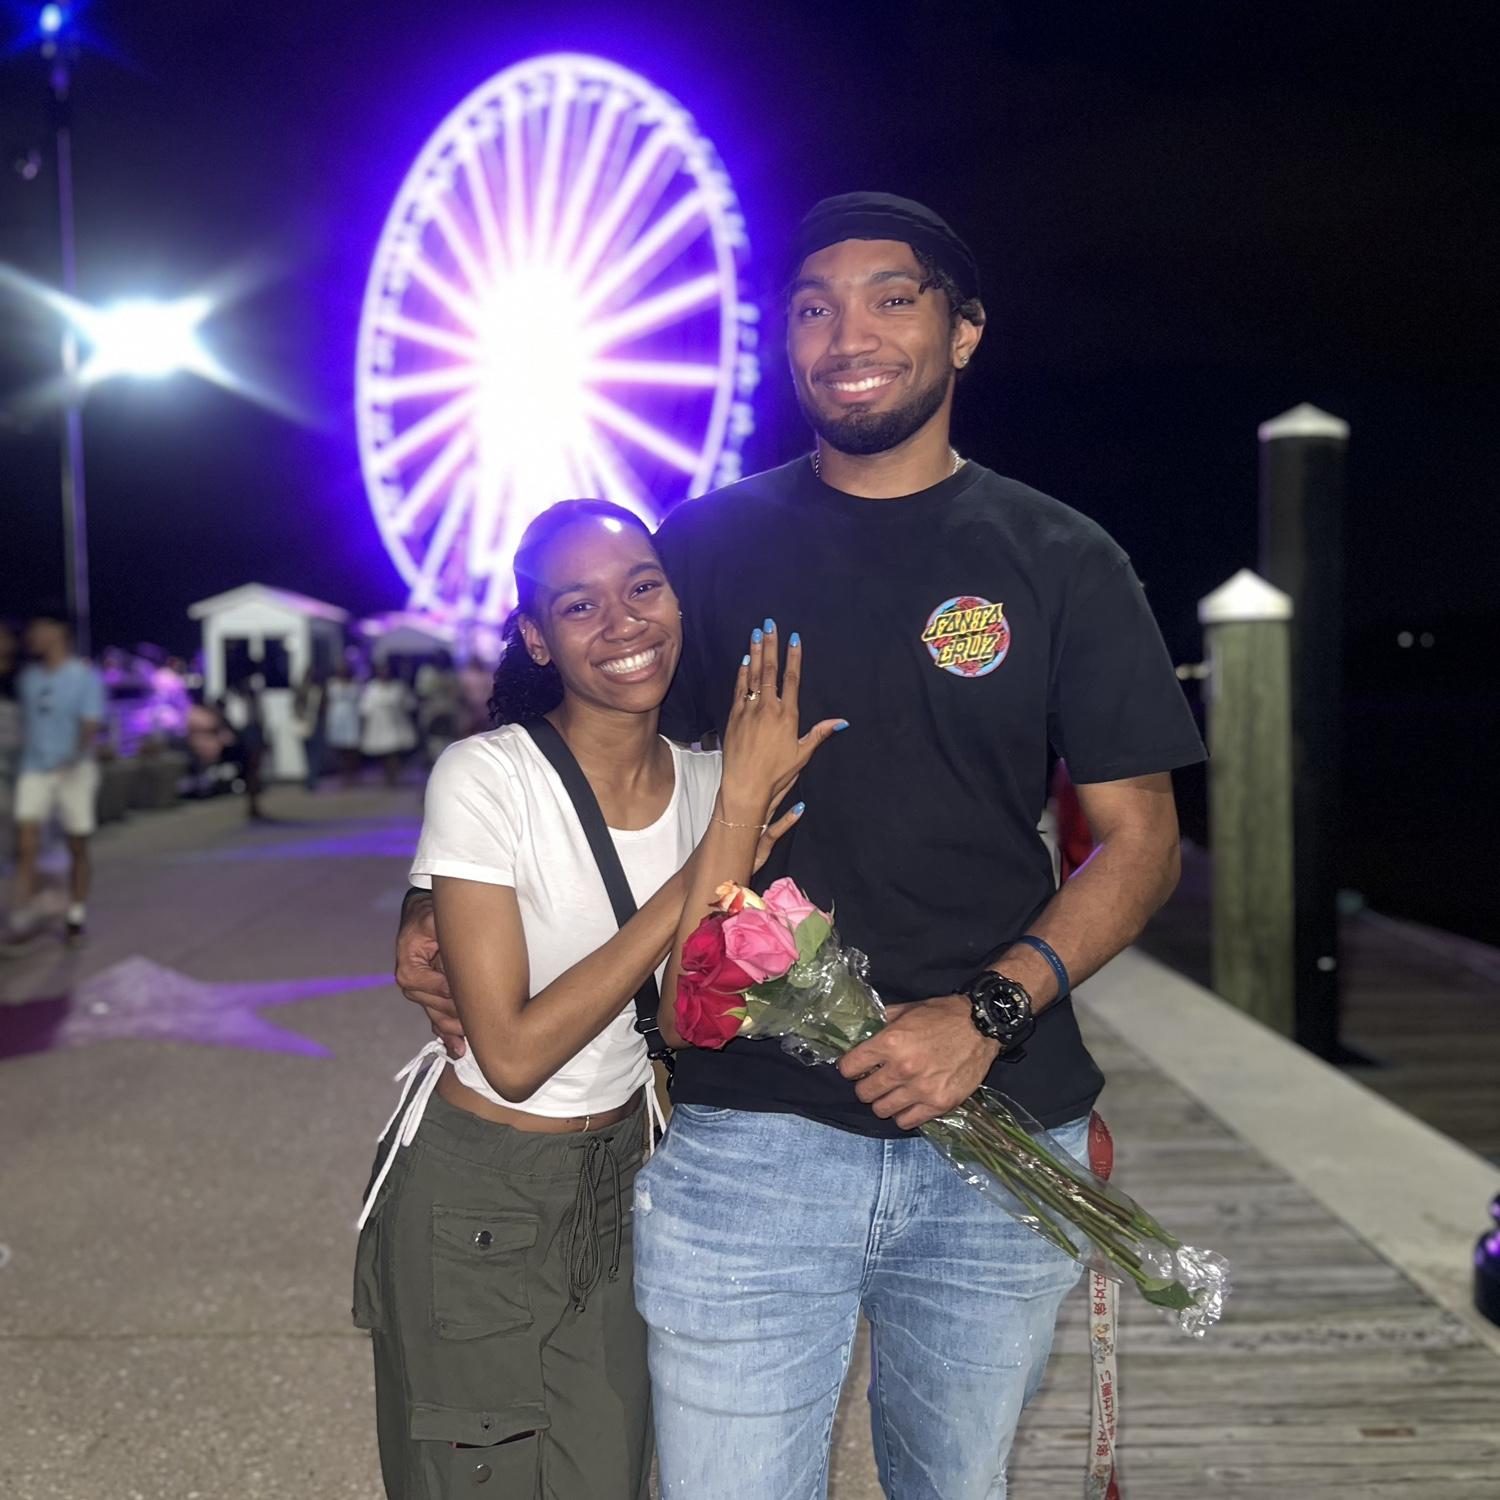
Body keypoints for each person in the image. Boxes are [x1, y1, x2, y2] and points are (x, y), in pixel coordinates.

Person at [398, 193, 1207, 1498]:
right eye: (815, 308)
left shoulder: (1063, 559)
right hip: (748, 1131)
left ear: (965, 332)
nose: (850, 334)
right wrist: (428, 892)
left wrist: (989, 1012)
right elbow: (574, 727)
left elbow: (1141, 844)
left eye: (893, 299)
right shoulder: (705, 548)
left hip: (999, 1120)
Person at [353, 499, 836, 1499]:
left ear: (677, 601)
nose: (623, 622)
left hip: (625, 1176)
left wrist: (733, 815)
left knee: (608, 1475)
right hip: (480, 1188)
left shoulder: (711, 784)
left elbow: (679, 1015)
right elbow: (514, 1054)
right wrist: (717, 850)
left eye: (643, 587)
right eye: (580, 605)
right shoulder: (489, 778)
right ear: (537, 637)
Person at [8, 606, 106, 947]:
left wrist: (72, 759)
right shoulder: (27, 679)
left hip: (74, 769)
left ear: (59, 632)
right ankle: (23, 912)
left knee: (77, 842)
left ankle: (76, 913)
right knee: (26, 839)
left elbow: (90, 725)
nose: (33, 636)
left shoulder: (84, 677)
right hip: (34, 768)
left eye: (40, 628)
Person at [360, 659, 417, 787]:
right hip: (378, 725)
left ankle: (393, 776)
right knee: (383, 751)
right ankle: (387, 776)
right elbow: (365, 707)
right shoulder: (372, 687)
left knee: (393, 751)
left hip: (395, 724)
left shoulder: (398, 687)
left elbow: (409, 704)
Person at [221, 673, 267, 821]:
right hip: (243, 736)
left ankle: (253, 804)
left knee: (254, 771)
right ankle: (251, 803)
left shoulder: (255, 701)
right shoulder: (237, 700)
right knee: (248, 771)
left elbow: (261, 719)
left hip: (253, 734)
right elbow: (236, 720)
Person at [325, 660, 363, 786]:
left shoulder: (355, 683)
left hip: (351, 716)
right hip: (337, 717)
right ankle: (343, 773)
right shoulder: (332, 683)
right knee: (339, 746)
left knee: (351, 746)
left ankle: (352, 774)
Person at [292, 667, 327, 792]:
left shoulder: (320, 690)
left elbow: (324, 707)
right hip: (305, 724)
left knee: (315, 754)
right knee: (307, 753)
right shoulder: (302, 689)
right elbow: (296, 705)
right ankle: (310, 778)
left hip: (317, 724)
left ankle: (312, 779)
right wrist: (302, 716)